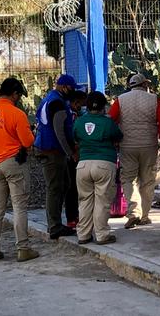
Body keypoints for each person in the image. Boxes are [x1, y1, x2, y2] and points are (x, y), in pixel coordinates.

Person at [0, 77, 38, 262]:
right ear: (14, 94)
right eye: (19, 95)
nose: (19, 99)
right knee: (19, 206)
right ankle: (23, 248)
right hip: (13, 162)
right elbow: (28, 141)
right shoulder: (17, 114)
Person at [108, 73, 160, 229]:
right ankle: (144, 216)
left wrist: (115, 141)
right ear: (144, 85)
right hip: (149, 146)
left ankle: (133, 212)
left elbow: (111, 121)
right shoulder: (154, 100)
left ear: (130, 85)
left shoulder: (120, 100)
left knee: (128, 179)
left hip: (127, 146)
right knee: (147, 180)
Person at [73, 91, 123, 245]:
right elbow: (118, 136)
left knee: (85, 201)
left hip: (83, 165)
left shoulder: (79, 121)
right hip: (104, 163)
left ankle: (83, 235)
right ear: (103, 107)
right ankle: (102, 235)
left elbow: (75, 137)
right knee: (102, 200)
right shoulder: (108, 123)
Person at [34, 74, 78, 239]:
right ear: (65, 87)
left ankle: (56, 222)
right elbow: (59, 131)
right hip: (52, 150)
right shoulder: (58, 103)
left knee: (64, 184)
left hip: (47, 147)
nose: (72, 92)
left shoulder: (48, 99)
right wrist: (70, 152)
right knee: (55, 187)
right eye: (71, 89)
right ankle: (55, 226)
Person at [65, 89, 87, 229]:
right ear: (75, 102)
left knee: (75, 187)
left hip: (74, 153)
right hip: (72, 155)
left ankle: (75, 215)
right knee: (72, 187)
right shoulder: (71, 116)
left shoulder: (73, 114)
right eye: (81, 104)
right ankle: (72, 217)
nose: (82, 107)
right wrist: (73, 151)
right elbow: (71, 134)